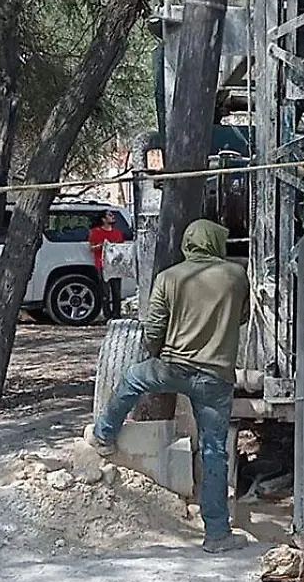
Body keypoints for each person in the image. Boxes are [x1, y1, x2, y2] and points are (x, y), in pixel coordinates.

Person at [88, 219, 251, 554]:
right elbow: (243, 316)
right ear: (215, 243)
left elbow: (153, 330)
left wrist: (159, 353)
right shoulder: (236, 275)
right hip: (215, 377)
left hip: (172, 367)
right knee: (214, 451)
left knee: (132, 379)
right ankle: (217, 534)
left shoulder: (168, 278)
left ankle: (104, 434)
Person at [89, 210, 126, 320]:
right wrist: (102, 245)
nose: (113, 217)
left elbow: (121, 247)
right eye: (109, 215)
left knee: (116, 291)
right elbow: (91, 247)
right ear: (103, 219)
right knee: (105, 292)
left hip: (115, 264)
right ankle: (107, 314)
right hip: (102, 264)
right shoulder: (95, 232)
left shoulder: (117, 232)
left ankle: (117, 314)